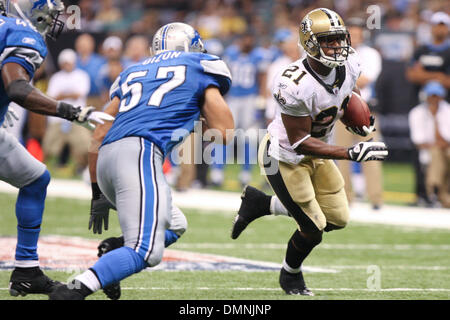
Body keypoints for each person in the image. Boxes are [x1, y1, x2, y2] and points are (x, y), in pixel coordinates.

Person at [49, 22, 234, 300]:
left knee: (174, 225)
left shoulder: (133, 70)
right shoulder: (200, 64)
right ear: (193, 47)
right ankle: (72, 290)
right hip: (140, 155)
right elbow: (225, 133)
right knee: (147, 250)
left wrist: (98, 192)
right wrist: (203, 122)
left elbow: (99, 131)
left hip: (107, 159)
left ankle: (114, 253)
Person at [230, 8, 388, 296]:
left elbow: (349, 93)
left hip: (318, 150)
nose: (337, 47)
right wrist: (349, 152)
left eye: (339, 39)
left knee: (337, 219)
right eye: (328, 41)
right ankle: (290, 276)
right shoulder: (293, 82)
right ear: (310, 43)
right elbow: (299, 141)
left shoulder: (350, 62)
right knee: (313, 228)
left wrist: (357, 119)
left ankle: (261, 204)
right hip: (283, 155)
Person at [0, 0, 113, 298]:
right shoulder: (21, 32)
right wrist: (71, 111)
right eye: (48, 16)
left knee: (36, 178)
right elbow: (16, 87)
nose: (51, 22)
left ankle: (26, 270)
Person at [333, 17, 384, 210]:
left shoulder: (370, 54)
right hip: (341, 109)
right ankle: (345, 197)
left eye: (357, 32)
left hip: (364, 108)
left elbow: (365, 80)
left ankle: (376, 198)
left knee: (371, 153)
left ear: (364, 34)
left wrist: (341, 81)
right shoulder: (336, 53)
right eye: (351, 33)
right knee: (341, 154)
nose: (354, 36)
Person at [210, 33, 269, 187]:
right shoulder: (230, 53)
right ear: (240, 40)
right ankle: (217, 172)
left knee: (248, 137)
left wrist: (260, 100)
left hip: (249, 98)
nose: (247, 42)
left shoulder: (258, 56)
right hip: (233, 98)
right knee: (225, 133)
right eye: (245, 39)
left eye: (250, 39)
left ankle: (245, 173)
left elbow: (262, 78)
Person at [406, 11, 450, 206]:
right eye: (436, 24)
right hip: (420, 105)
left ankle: (441, 194)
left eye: (443, 25)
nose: (439, 28)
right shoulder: (421, 49)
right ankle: (421, 194)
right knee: (419, 150)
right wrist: (438, 77)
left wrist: (425, 75)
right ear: (431, 27)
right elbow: (411, 75)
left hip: (445, 106)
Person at [43, 49, 92, 175]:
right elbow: (52, 97)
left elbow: (79, 94)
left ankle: (85, 169)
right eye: (65, 62)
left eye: (69, 62)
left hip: (77, 117)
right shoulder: (56, 77)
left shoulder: (81, 75)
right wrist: (69, 95)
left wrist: (62, 95)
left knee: (84, 147)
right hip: (58, 118)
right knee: (48, 147)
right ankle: (42, 169)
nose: (67, 65)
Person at [408, 81, 450, 208]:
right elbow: (418, 141)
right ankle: (436, 193)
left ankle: (434, 193)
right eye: (431, 96)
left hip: (446, 148)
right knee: (436, 154)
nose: (434, 99)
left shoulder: (447, 111)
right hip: (432, 150)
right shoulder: (417, 113)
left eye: (436, 96)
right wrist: (437, 144)